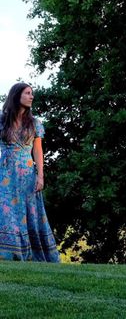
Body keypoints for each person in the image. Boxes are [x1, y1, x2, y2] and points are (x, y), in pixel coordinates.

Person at [0, 82, 59, 261]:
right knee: (6, 212)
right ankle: (9, 254)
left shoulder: (34, 123)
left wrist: (40, 175)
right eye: (27, 93)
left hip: (27, 175)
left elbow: (38, 151)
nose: (31, 96)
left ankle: (32, 254)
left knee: (30, 214)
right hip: (5, 175)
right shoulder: (2, 120)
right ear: (17, 95)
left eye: (32, 93)